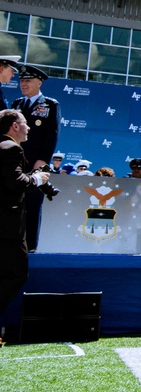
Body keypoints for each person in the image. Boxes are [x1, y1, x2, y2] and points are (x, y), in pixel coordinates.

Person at [0, 110, 51, 328]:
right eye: (24, 122)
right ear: (14, 126)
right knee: (17, 274)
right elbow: (15, 182)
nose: (29, 127)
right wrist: (37, 179)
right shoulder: (11, 147)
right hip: (7, 226)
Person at [11, 65, 60, 252]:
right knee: (13, 203)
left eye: (28, 81)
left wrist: (43, 160)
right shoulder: (16, 104)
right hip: (15, 162)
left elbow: (52, 134)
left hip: (36, 163)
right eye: (22, 80)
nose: (23, 84)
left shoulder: (50, 104)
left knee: (32, 204)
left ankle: (30, 246)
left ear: (39, 82)